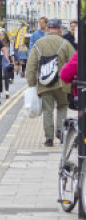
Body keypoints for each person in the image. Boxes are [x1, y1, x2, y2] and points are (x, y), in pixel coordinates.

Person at [25, 19, 75, 147]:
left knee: (48, 110)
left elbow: (31, 66)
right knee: (62, 106)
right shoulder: (65, 43)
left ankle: (48, 138)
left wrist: (31, 84)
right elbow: (74, 62)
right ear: (59, 29)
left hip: (44, 83)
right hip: (62, 83)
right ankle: (60, 130)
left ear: (47, 29)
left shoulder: (38, 44)